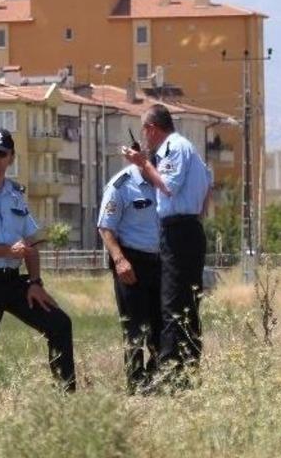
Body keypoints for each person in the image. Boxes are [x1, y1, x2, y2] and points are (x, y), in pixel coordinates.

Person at [0, 127, 75, 406]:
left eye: (0, 153)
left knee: (60, 324)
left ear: (11, 157)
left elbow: (31, 242)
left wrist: (35, 282)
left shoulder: (16, 194)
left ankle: (67, 402)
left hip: (12, 280)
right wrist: (8, 250)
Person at [122, 104, 212, 387]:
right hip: (187, 228)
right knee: (186, 304)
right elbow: (208, 182)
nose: (144, 138)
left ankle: (171, 375)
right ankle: (188, 370)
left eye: (144, 131)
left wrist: (143, 164)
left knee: (173, 305)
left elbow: (169, 185)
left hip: (180, 231)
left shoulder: (174, 147)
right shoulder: (186, 148)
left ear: (151, 129)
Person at [97, 155, 162, 395]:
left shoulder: (163, 183)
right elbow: (105, 227)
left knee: (162, 327)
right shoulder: (121, 185)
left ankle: (156, 382)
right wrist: (119, 259)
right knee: (135, 329)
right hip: (131, 263)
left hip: (161, 263)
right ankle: (135, 386)